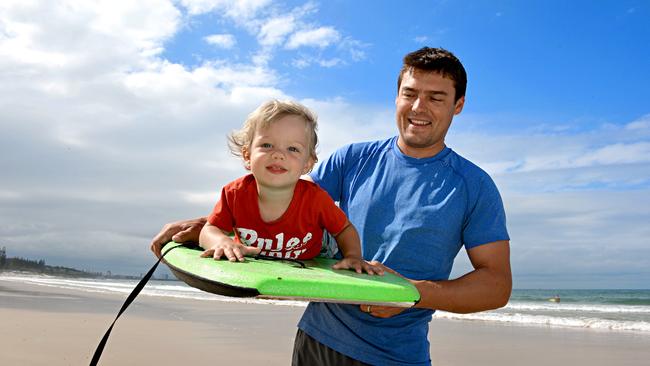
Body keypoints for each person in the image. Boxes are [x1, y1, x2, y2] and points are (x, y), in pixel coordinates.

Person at [150, 47, 512, 365]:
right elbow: (282, 205)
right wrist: (209, 225)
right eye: (410, 93)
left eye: (436, 97)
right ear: (396, 97)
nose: (419, 107)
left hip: (396, 354)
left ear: (458, 105)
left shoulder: (474, 187)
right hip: (318, 339)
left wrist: (411, 294)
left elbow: (496, 284)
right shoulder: (353, 159)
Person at [189, 99, 379, 274]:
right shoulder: (234, 193)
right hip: (263, 251)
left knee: (329, 234)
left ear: (308, 164)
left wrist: (353, 256)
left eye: (293, 149)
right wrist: (222, 241)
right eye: (267, 145)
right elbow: (209, 230)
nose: (279, 154)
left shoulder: (316, 198)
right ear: (247, 155)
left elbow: (344, 229)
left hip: (319, 247)